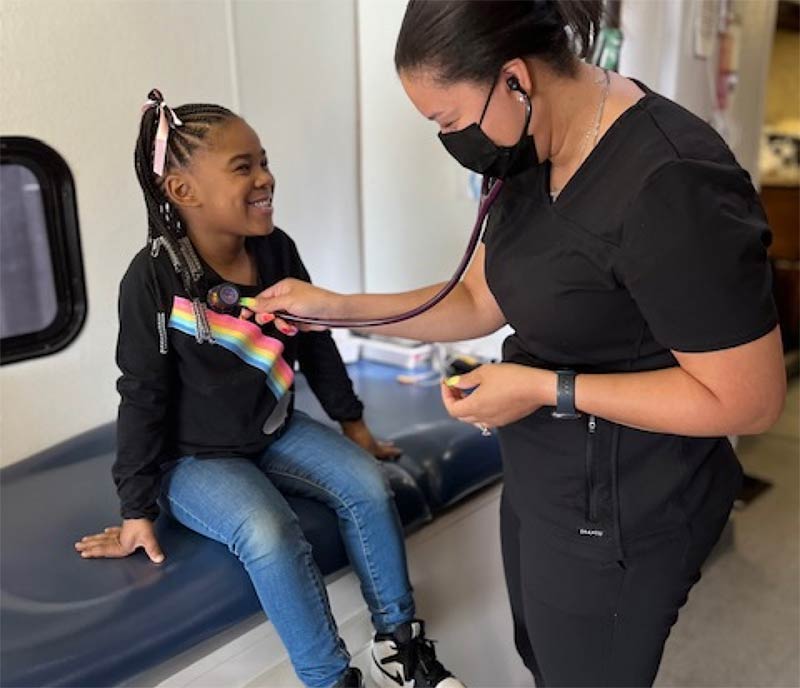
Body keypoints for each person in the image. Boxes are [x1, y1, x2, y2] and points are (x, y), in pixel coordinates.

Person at [248, 2, 787, 686]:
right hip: (542, 480)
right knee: (544, 659)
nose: (448, 138)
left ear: (515, 79)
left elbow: (748, 400)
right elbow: (477, 299)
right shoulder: (527, 149)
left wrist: (541, 387)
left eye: (447, 120)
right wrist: (333, 309)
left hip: (627, 506)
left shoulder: (671, 181)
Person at [74, 89, 464, 688]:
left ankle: (401, 644)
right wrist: (136, 508)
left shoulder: (277, 250)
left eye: (263, 161)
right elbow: (142, 394)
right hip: (192, 458)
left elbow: (317, 342)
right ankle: (329, 677)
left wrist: (353, 424)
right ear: (184, 193)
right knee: (269, 530)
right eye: (243, 168)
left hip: (273, 431)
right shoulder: (153, 277)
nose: (265, 178)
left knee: (367, 484)